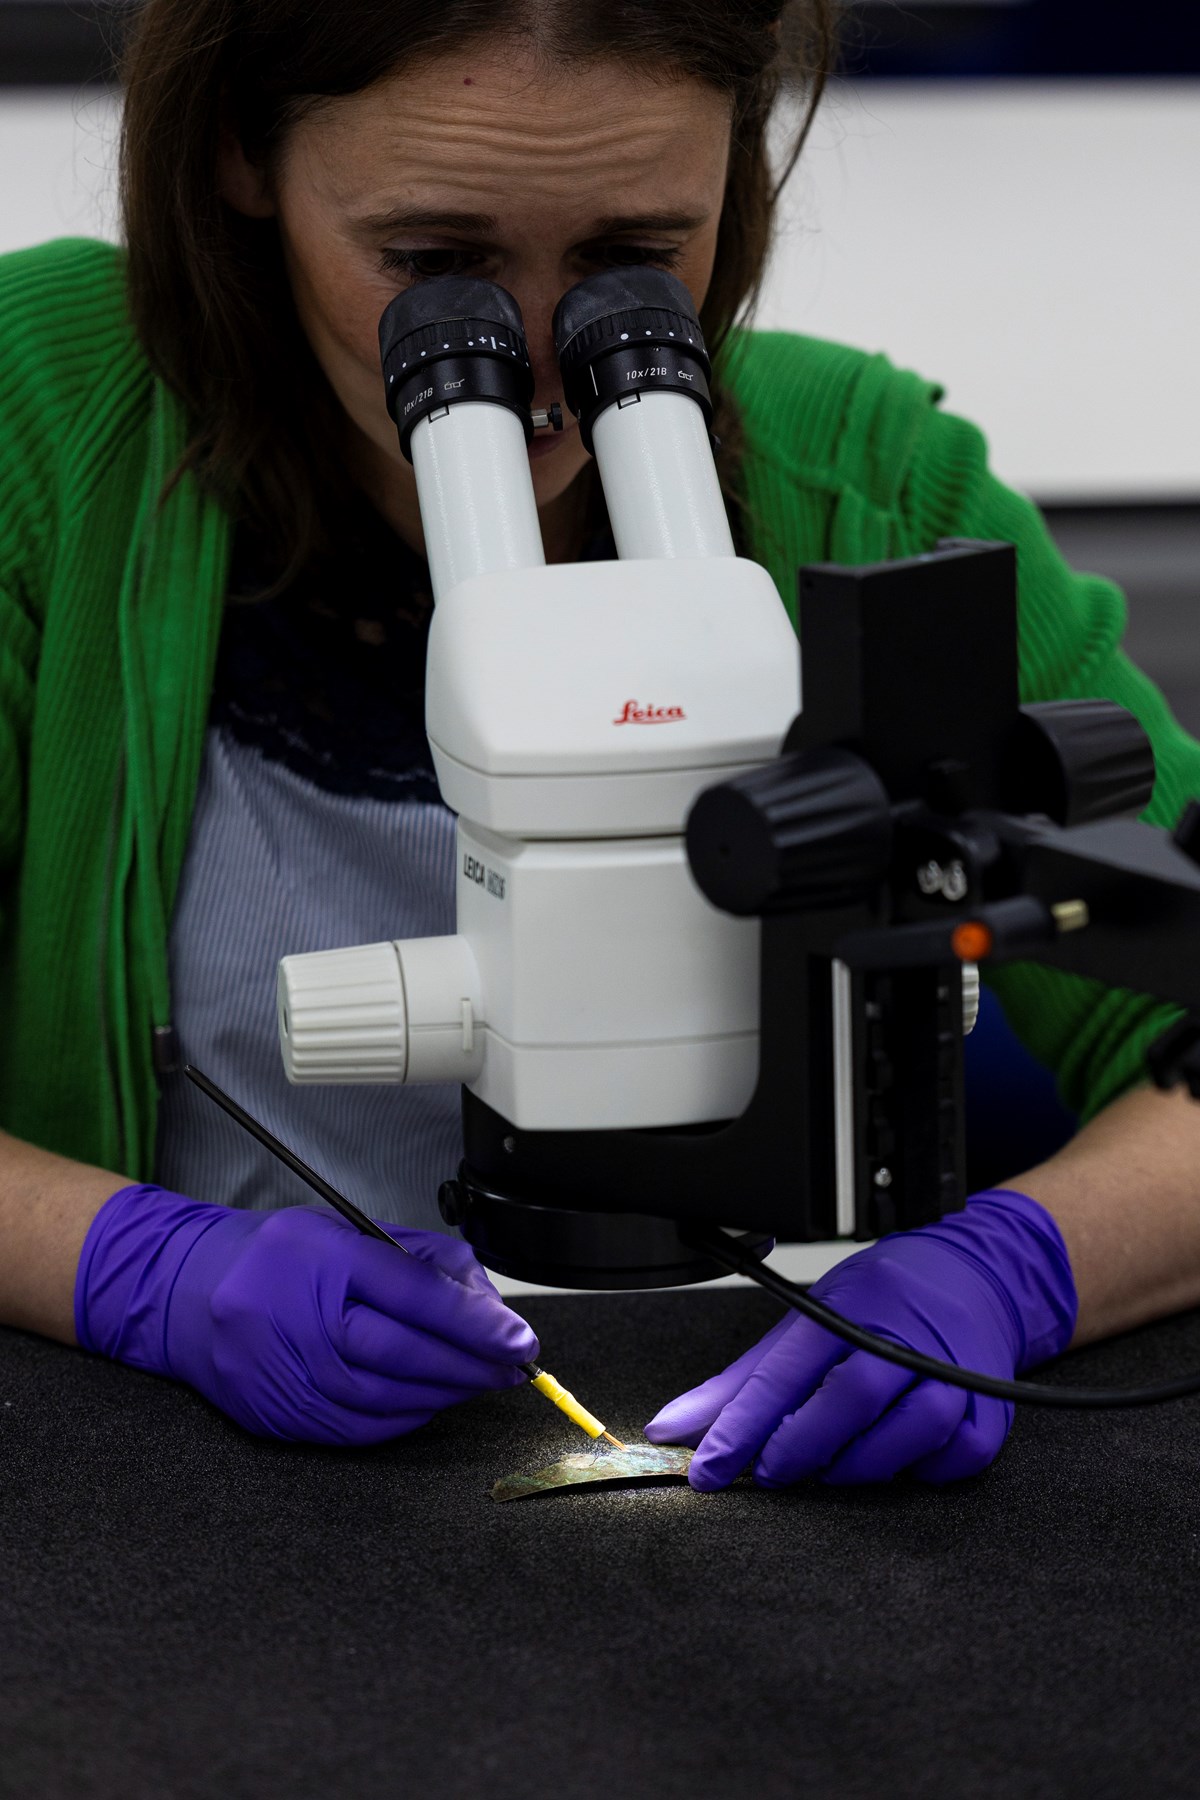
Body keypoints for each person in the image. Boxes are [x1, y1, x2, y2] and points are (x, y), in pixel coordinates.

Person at [1, 0, 1198, 1482]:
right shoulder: (41, 427)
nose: (543, 370)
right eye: (435, 269)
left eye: (632, 265)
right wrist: (132, 1269)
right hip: (186, 1513)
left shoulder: (871, 483)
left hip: (760, 1463)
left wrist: (1023, 1269)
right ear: (242, 158)